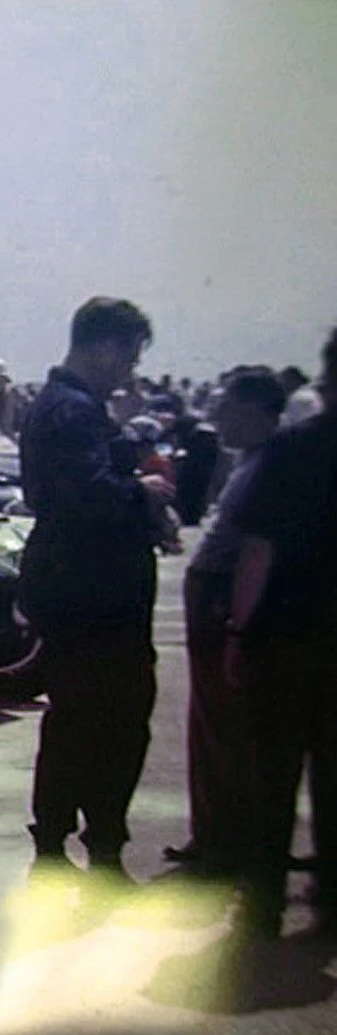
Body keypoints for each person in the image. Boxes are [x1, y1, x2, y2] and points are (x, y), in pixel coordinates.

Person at [16, 297, 174, 880]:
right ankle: (100, 846)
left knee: (74, 721)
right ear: (103, 346)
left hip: (76, 589)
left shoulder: (67, 407)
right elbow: (89, 494)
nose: (130, 367)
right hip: (96, 594)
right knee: (113, 722)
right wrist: (146, 494)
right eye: (129, 354)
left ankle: (57, 842)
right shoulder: (74, 412)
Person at [226, 328, 337, 935]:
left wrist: (238, 634)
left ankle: (263, 899)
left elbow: (257, 552)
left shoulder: (290, 450)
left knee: (271, 775)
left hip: (285, 637)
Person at [165, 370, 285, 877]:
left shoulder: (269, 469)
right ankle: (214, 833)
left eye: (229, 409)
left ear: (258, 412)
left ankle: (223, 839)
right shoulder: (251, 464)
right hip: (211, 594)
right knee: (210, 721)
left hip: (220, 597)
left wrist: (235, 616)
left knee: (222, 722)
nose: (218, 419)